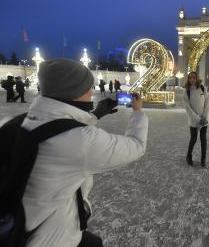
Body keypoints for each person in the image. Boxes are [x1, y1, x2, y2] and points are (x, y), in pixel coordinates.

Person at [0, 59, 148, 246]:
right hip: (51, 237)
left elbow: (58, 128)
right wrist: (138, 112)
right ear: (74, 91)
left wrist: (95, 115)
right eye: (88, 86)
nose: (92, 89)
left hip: (23, 223)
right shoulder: (81, 140)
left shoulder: (16, 122)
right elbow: (136, 146)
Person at [183, 71, 209, 168]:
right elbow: (188, 108)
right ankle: (189, 156)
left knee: (203, 139)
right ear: (188, 79)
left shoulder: (203, 88)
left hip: (204, 119)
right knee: (193, 139)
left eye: (194, 77)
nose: (192, 79)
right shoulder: (187, 91)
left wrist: (204, 117)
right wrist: (197, 119)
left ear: (197, 78)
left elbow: (208, 104)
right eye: (190, 77)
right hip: (193, 120)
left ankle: (203, 159)